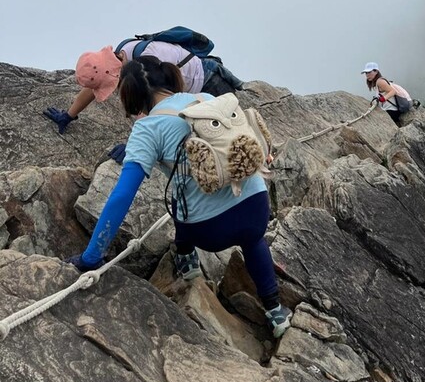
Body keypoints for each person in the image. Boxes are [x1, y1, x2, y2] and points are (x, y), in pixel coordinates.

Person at [67, 55, 292, 338]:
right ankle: (275, 312)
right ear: (167, 77)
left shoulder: (146, 128)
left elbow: (122, 196)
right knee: (253, 240)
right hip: (256, 206)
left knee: (178, 198)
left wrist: (92, 256)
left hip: (209, 231)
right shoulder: (205, 98)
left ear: (131, 94)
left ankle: (187, 262)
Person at [43, 38, 244, 137]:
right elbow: (92, 87)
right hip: (192, 93)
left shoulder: (148, 62)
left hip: (210, 82)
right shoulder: (122, 56)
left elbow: (155, 110)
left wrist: (135, 146)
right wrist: (69, 115)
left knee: (235, 134)